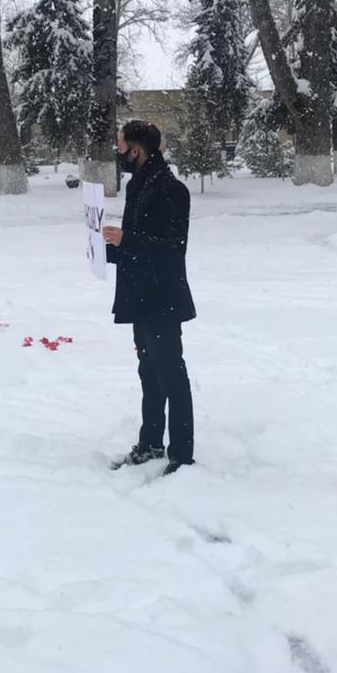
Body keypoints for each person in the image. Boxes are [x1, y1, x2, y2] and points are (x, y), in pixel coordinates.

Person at [104, 120, 197, 476]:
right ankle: (151, 443)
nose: (118, 153)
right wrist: (106, 250)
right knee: (149, 374)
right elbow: (139, 244)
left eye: (120, 147)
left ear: (136, 150)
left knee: (172, 376)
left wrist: (125, 240)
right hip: (141, 298)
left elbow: (173, 248)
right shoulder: (138, 185)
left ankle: (182, 456)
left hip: (163, 298)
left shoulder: (172, 190)